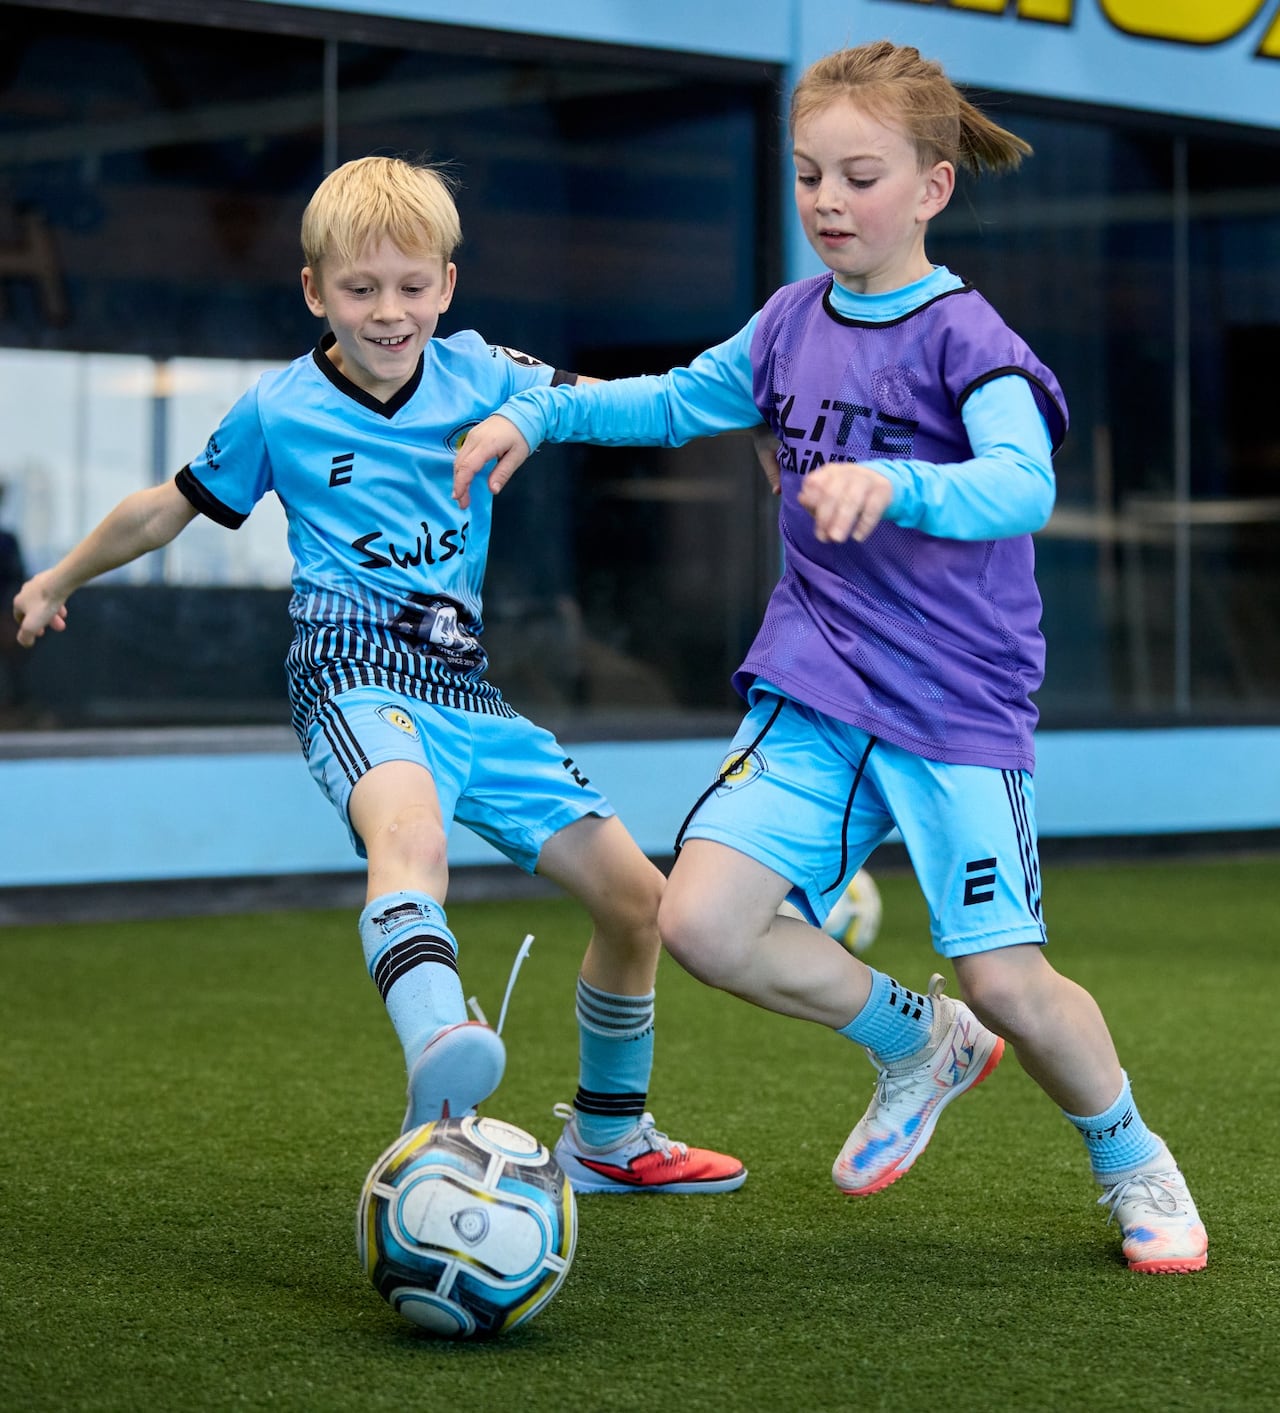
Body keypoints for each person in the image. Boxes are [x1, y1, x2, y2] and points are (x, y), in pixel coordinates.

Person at [453, 42, 1207, 1272]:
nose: (826, 201)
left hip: (954, 708)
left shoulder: (967, 337)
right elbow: (667, 401)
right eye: (808, 174)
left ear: (932, 187)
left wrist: (894, 483)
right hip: (813, 689)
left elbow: (1021, 483)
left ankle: (1131, 1160)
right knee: (702, 924)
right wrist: (536, 411)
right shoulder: (785, 323)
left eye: (860, 176)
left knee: (1005, 981)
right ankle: (918, 1041)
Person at [11, 155, 745, 1197]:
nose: (389, 313)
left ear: (447, 285)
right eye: (360, 289)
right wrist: (57, 576)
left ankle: (608, 1138)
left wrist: (755, 414)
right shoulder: (280, 408)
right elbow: (165, 507)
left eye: (411, 287)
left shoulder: (484, 373)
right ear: (316, 291)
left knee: (637, 900)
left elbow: (624, 407)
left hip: (467, 690)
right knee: (412, 837)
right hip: (350, 667)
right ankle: (439, 1041)